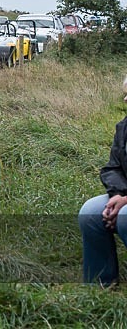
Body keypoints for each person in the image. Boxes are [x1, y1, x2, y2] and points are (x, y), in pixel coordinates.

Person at [79, 74, 127, 286]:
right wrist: (118, 194)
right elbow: (113, 167)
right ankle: (101, 283)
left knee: (125, 216)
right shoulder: (124, 127)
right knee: (90, 212)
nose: (125, 100)